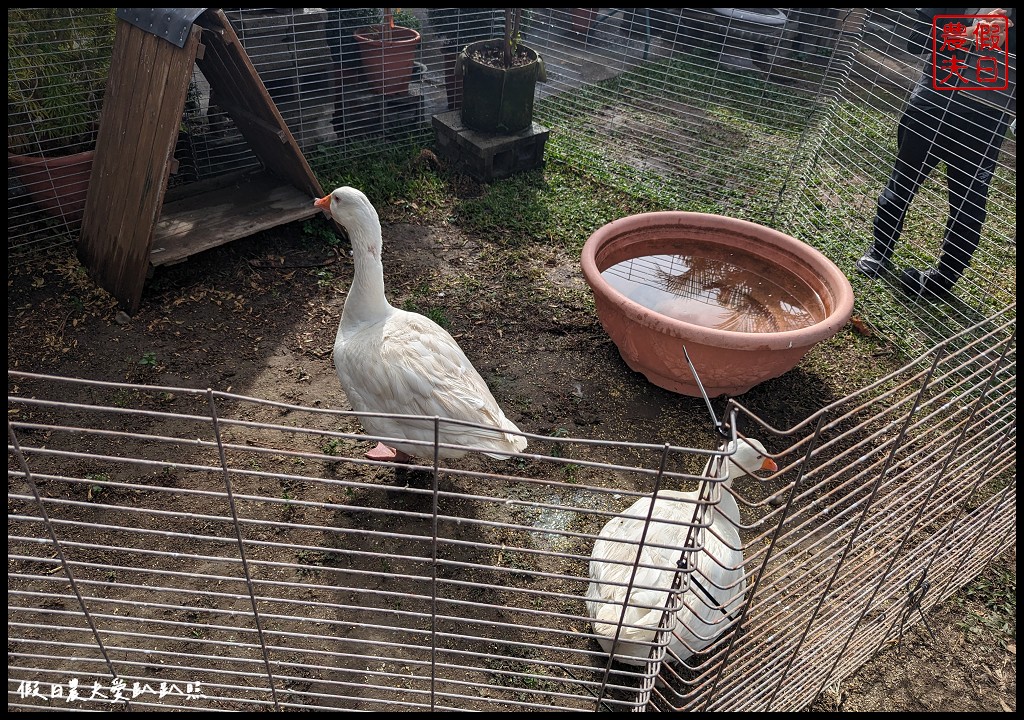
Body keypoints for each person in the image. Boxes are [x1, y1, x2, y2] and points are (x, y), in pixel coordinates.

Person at [856, 7, 1016, 300]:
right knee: (902, 183)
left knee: (968, 200)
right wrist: (973, 33)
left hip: (986, 120)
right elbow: (916, 41)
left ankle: (943, 280)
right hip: (930, 104)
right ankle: (880, 252)